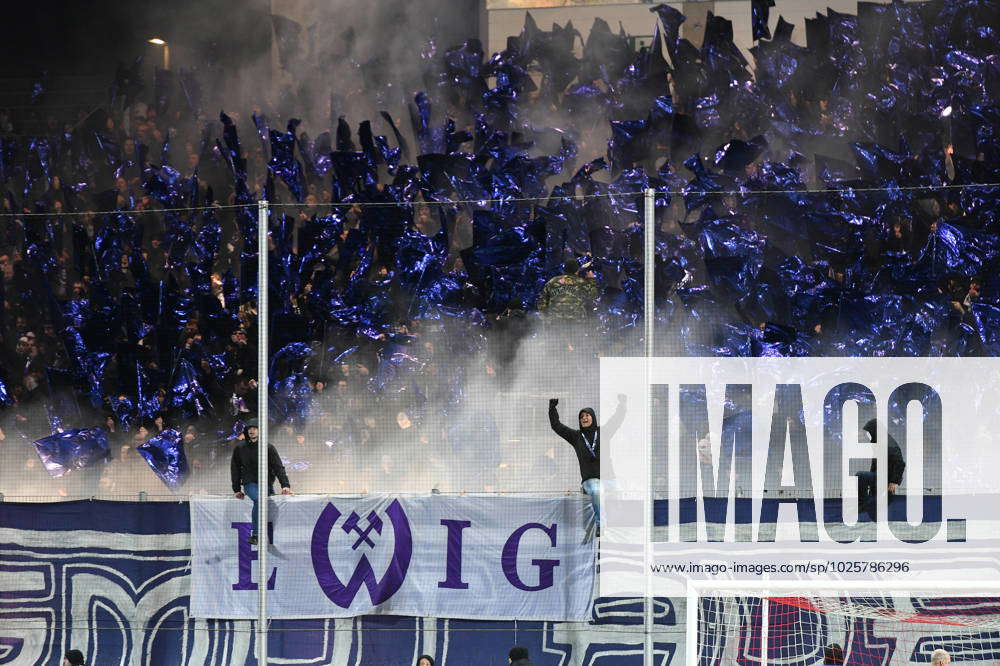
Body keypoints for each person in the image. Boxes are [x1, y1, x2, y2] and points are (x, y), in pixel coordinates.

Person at [548, 394, 626, 529]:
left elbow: (617, 420)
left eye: (587, 415)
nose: (584, 418)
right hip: (590, 480)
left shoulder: (604, 432)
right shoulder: (576, 436)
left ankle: (619, 527)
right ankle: (600, 525)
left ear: (593, 417)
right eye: (581, 417)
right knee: (597, 490)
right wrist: (552, 409)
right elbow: (557, 426)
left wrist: (622, 405)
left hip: (608, 478)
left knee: (618, 493)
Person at [231, 419, 294, 545]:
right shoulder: (240, 448)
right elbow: (235, 468)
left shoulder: (268, 447)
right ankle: (256, 535)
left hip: (267, 484)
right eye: (249, 428)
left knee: (269, 510)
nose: (252, 430)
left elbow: (278, 467)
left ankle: (273, 540)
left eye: (255, 428)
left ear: (260, 430)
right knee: (259, 500)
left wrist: (285, 485)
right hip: (250, 483)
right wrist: (237, 489)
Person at [856, 418, 905, 521]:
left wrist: (894, 481)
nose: (868, 434)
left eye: (869, 431)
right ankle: (866, 506)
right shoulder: (879, 442)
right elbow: (876, 463)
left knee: (860, 475)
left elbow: (900, 463)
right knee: (875, 511)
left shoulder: (888, 443)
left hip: (886, 478)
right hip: (881, 477)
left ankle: (862, 504)